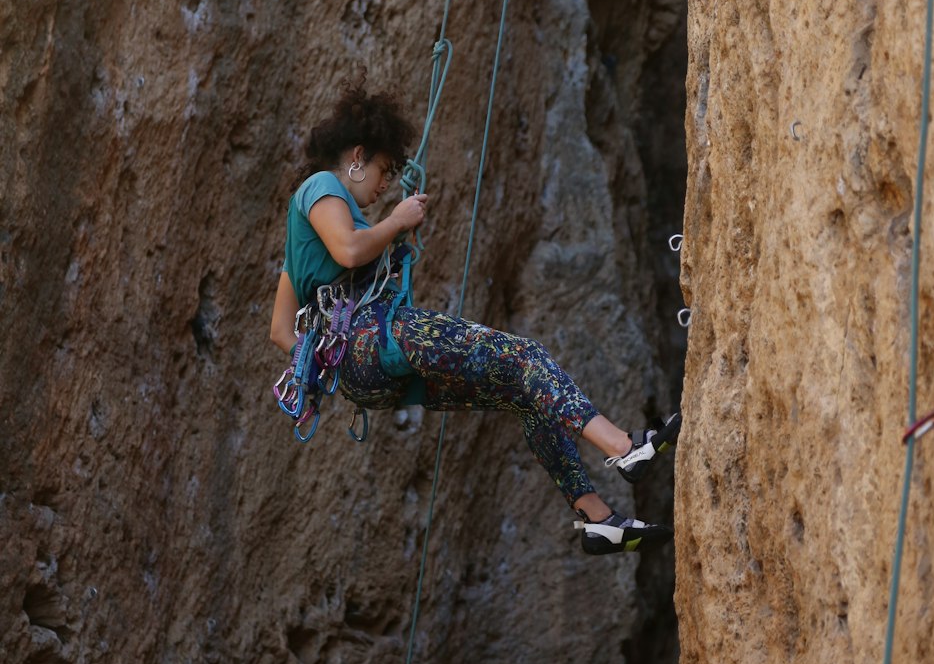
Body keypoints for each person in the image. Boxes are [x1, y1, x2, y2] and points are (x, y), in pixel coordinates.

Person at [270, 80, 681, 554]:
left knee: (522, 394)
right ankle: (625, 448)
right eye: (383, 169)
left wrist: (331, 362)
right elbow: (348, 249)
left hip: (364, 376)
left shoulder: (300, 243)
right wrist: (398, 221)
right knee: (525, 357)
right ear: (357, 156)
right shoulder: (321, 186)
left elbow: (281, 331)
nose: (385, 184)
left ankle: (599, 519)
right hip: (376, 340)